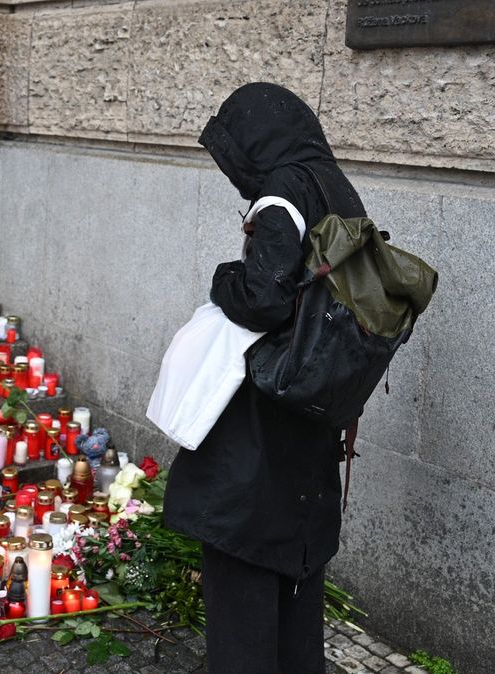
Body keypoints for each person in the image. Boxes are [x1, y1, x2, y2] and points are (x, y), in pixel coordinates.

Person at [163, 82, 367, 674]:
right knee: (294, 579)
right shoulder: (335, 186)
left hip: (263, 427)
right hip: (311, 414)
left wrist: (223, 278)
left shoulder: (283, 193)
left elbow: (263, 298)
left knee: (243, 579)